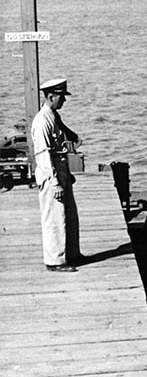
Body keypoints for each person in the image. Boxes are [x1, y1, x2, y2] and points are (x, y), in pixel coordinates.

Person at [31, 78, 81, 272]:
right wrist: (55, 183)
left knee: (69, 216)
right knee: (54, 218)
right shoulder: (42, 121)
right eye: (61, 97)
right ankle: (55, 261)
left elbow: (64, 139)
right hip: (51, 174)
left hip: (61, 171)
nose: (64, 101)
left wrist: (66, 175)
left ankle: (71, 254)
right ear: (51, 97)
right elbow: (43, 155)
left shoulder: (53, 116)